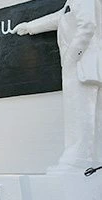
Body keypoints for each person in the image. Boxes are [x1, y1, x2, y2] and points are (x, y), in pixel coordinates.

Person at [13, 0, 102, 172]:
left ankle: (78, 158)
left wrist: (71, 57)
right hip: (81, 65)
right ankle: (89, 158)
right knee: (84, 112)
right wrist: (30, 26)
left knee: (81, 111)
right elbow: (61, 17)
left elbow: (88, 26)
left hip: (82, 65)